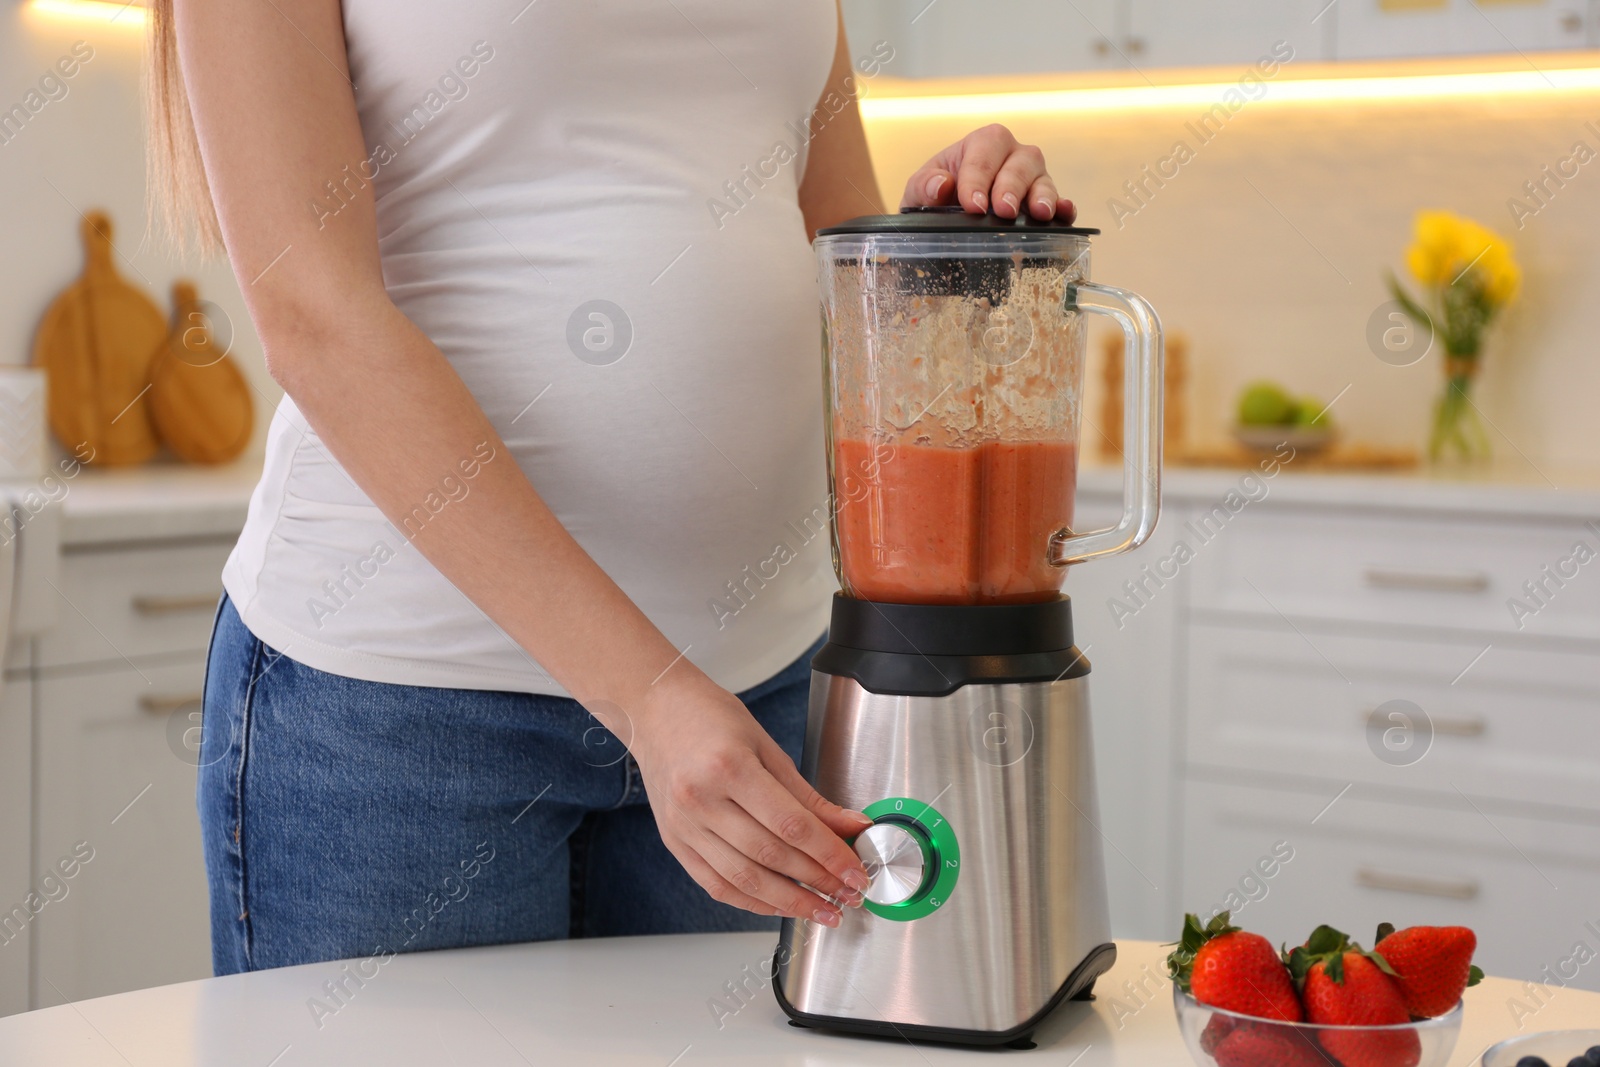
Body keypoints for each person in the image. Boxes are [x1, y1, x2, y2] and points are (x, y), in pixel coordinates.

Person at [151, 0, 1077, 973]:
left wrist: (951, 226)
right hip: (406, 709)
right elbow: (315, 317)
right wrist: (647, 696)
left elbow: (837, 257)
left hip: (746, 700)